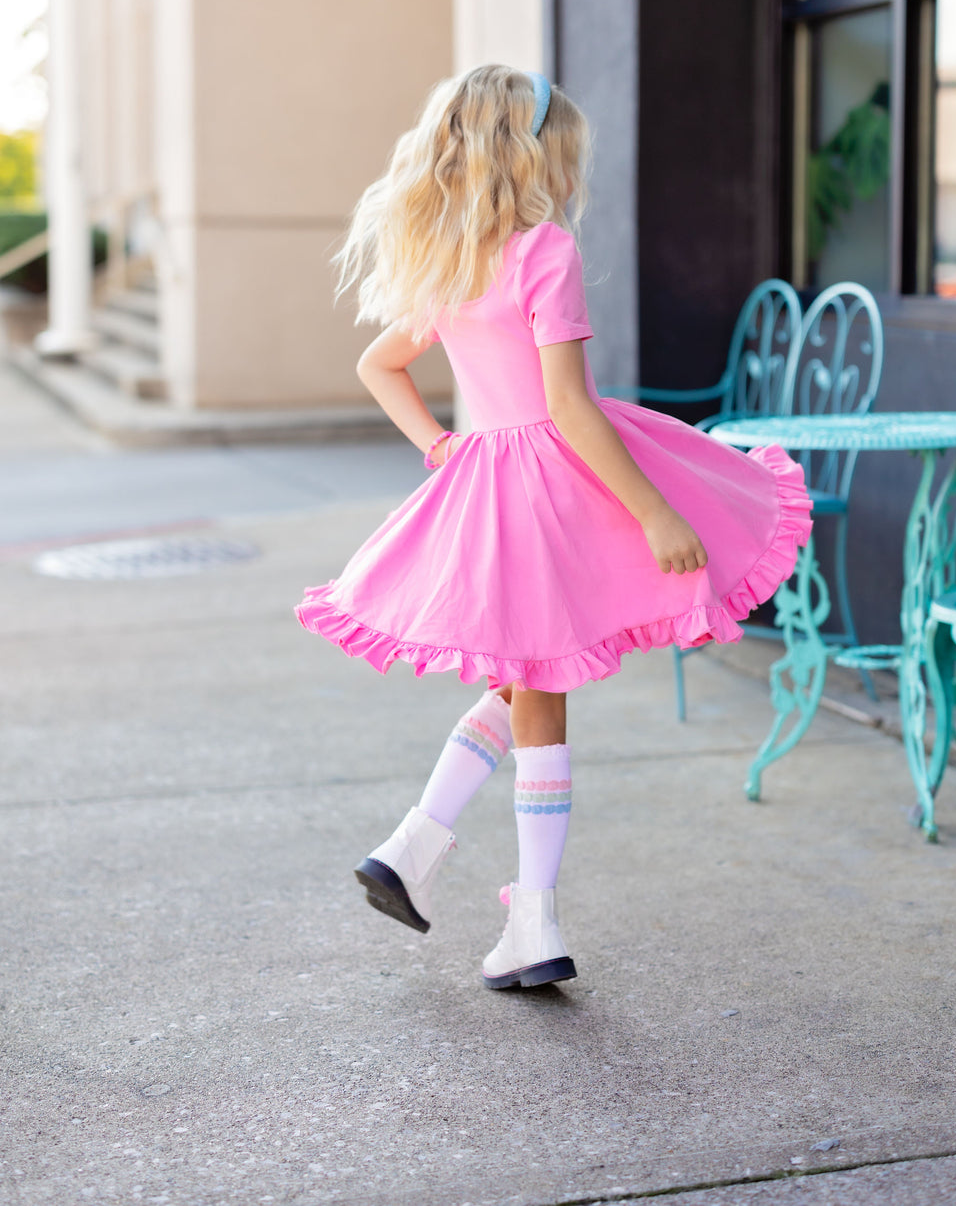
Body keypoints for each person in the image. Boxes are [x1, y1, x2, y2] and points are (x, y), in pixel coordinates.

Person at [296, 63, 812, 990]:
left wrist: (442, 447)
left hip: (492, 480)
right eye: (565, 152)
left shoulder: (451, 254)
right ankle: (530, 916)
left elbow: (381, 365)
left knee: (523, 678)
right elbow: (571, 409)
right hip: (552, 482)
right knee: (538, 686)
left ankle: (416, 848)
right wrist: (656, 510)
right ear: (531, 152)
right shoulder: (541, 251)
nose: (572, 172)